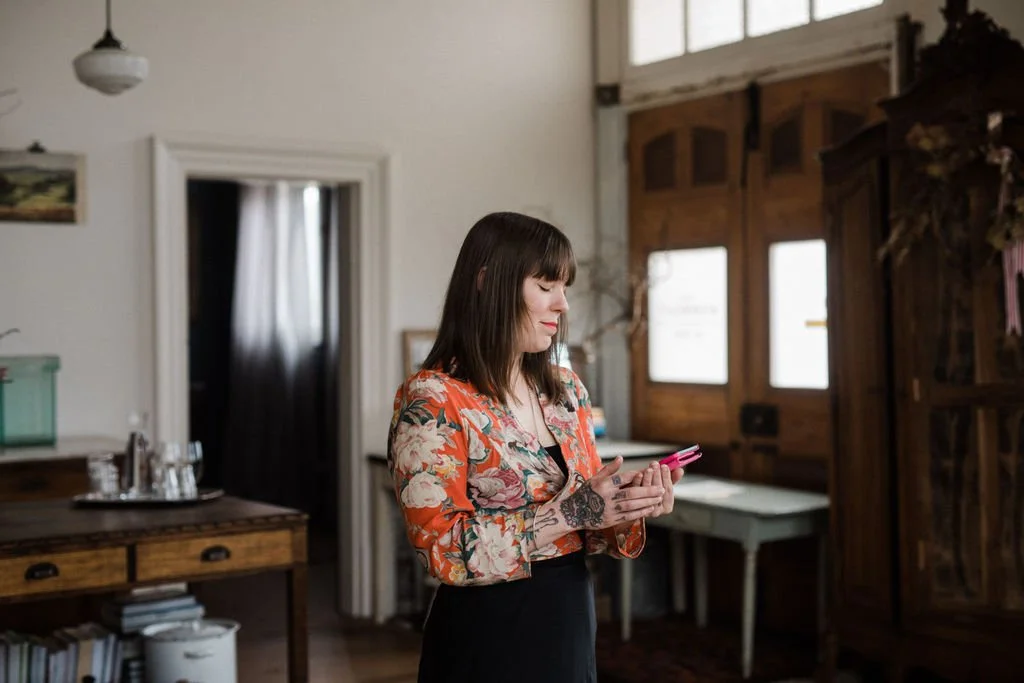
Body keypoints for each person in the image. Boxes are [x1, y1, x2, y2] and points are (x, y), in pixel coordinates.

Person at [387, 211, 684, 683]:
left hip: (567, 614)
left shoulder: (565, 391)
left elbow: (590, 523)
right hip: (487, 629)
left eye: (564, 287)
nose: (563, 304)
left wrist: (627, 505)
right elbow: (439, 549)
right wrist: (569, 514)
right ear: (487, 282)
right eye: (546, 286)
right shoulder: (434, 399)